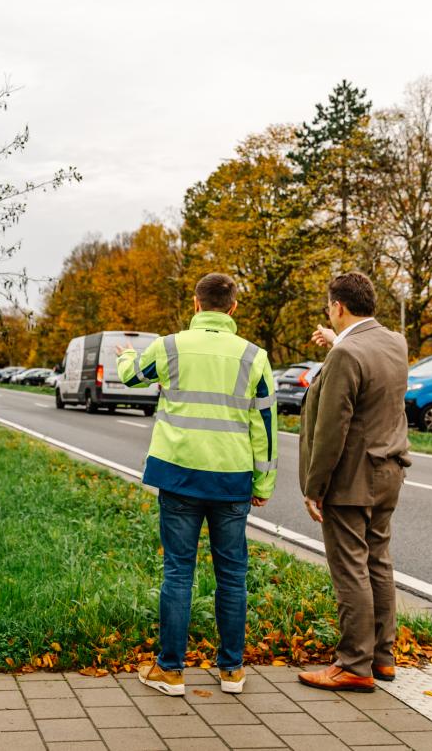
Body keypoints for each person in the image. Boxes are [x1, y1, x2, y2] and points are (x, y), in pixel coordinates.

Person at [116, 272, 277, 696]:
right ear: (234, 308)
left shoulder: (170, 346)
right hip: (231, 479)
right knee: (232, 575)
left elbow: (132, 377)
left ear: (195, 303)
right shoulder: (254, 356)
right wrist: (264, 481)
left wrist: (123, 357)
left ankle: (169, 671)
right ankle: (232, 672)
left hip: (179, 474)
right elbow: (265, 425)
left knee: (178, 572)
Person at [297, 271, 410, 693]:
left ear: (338, 307)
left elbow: (332, 430)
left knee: (350, 569)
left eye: (330, 308)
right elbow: (366, 360)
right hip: (390, 468)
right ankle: (383, 657)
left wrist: (314, 486)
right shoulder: (395, 342)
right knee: (378, 561)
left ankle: (353, 664)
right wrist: (338, 339)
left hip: (352, 479)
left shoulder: (346, 356)